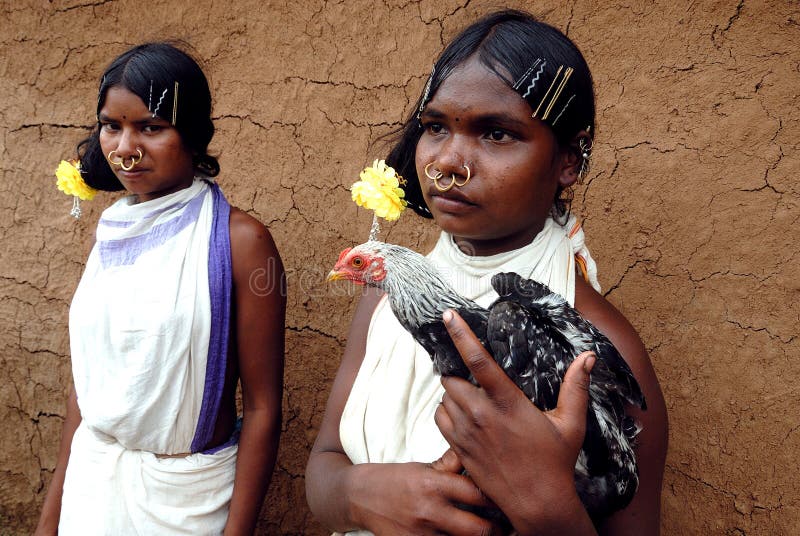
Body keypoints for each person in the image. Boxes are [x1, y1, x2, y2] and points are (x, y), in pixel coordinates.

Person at [306, 10, 668, 535]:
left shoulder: (595, 346)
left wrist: (545, 503)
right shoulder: (384, 304)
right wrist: (362, 493)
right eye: (434, 128)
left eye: (496, 134)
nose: (447, 162)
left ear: (568, 160)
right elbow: (323, 463)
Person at [35, 43, 285, 535]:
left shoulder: (241, 242)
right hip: (92, 488)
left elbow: (262, 408)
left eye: (150, 127)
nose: (125, 147)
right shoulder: (111, 231)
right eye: (112, 126)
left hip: (187, 501)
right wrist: (51, 519)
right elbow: (86, 390)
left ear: (192, 133)